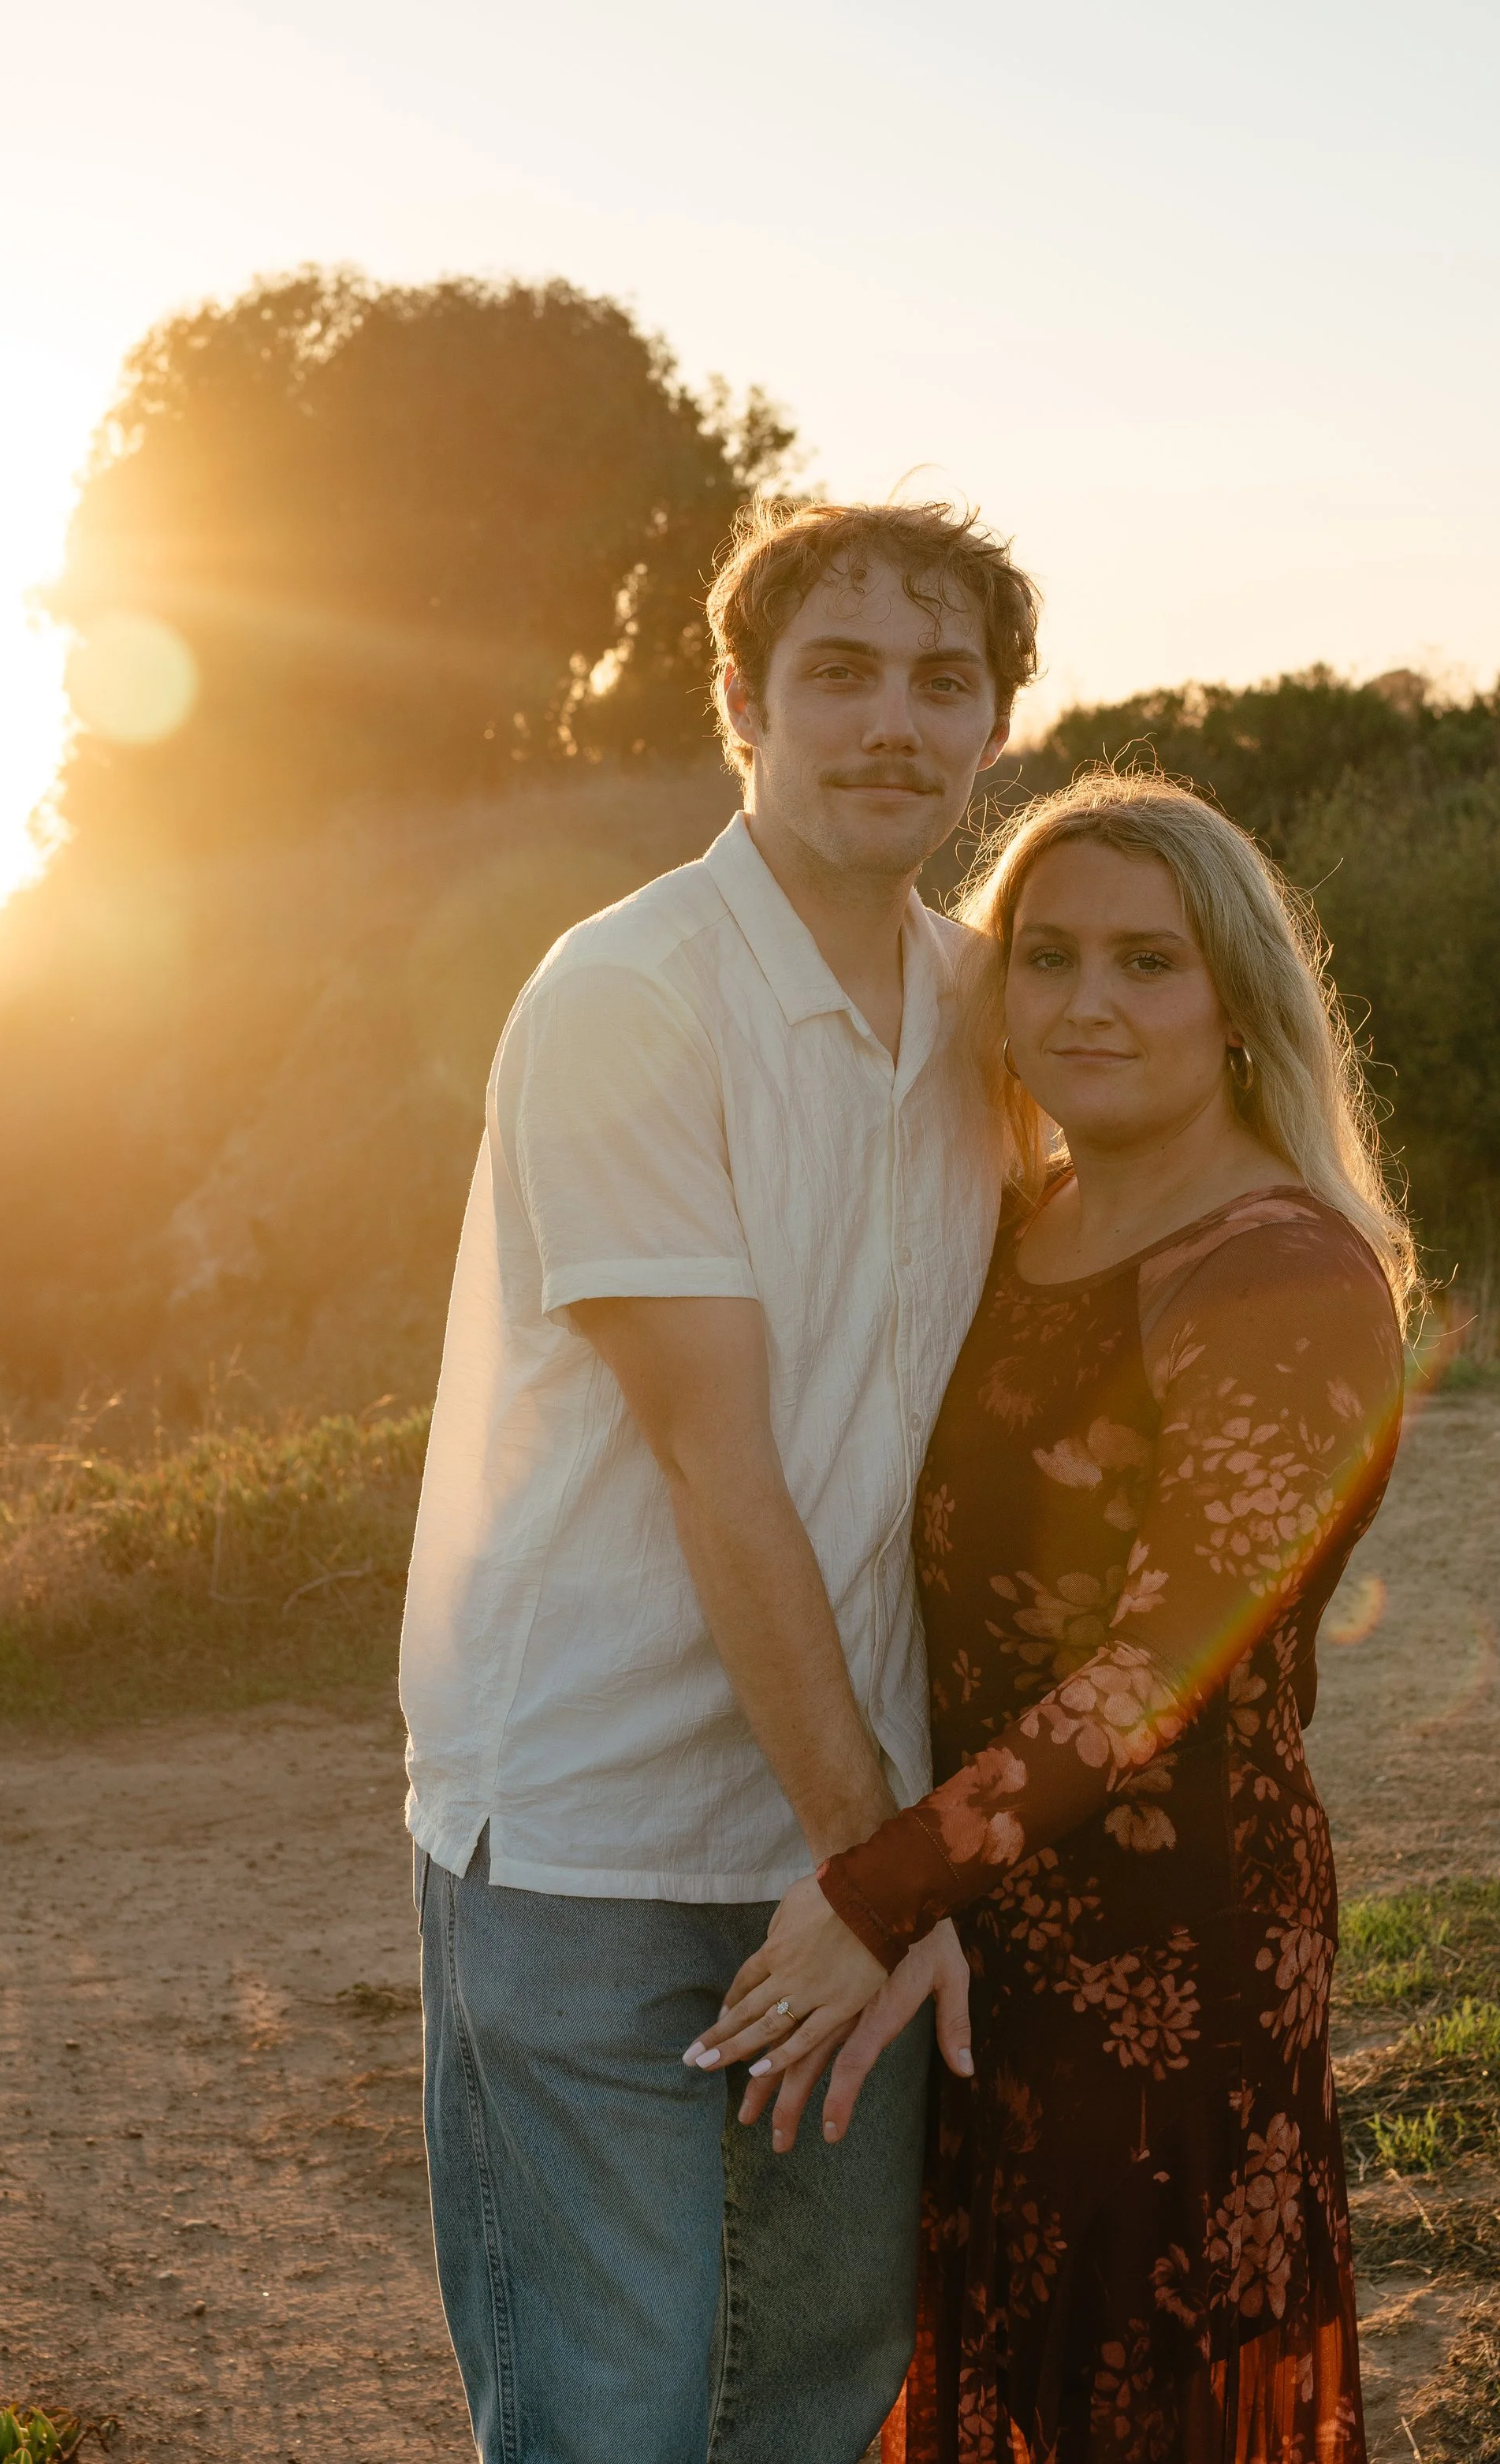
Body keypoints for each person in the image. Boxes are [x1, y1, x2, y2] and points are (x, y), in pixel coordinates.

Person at [398, 499, 1040, 2464]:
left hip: (833, 1815)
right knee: (609, 2417)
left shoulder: (982, 1008)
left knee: (811, 2393)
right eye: (836, 671)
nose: (890, 722)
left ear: (1000, 723)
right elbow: (717, 1463)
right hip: (590, 1836)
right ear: (743, 701)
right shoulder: (631, 992)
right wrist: (887, 1861)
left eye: (945, 681)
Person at [693, 773, 1417, 2462]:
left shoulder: (1283, 1273)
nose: (1087, 1000)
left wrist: (873, 1887)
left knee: (1123, 2391)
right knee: (992, 2357)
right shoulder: (1022, 1221)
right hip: (985, 1921)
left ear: (1236, 998)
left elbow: (1158, 1669)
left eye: (1146, 961)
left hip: (1171, 1941)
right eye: (1047, 954)